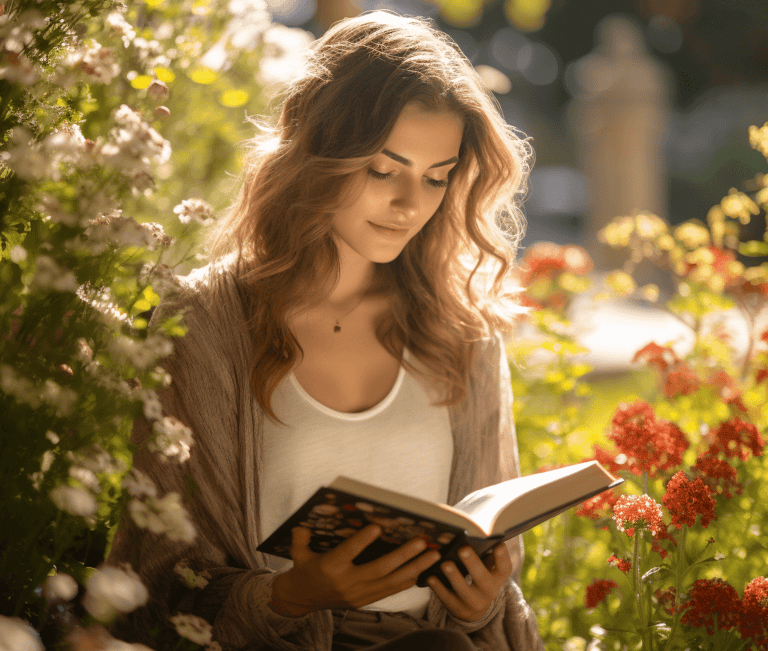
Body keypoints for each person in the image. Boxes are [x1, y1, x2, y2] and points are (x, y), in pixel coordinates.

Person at [107, 10, 544, 651]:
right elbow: (156, 583)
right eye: (383, 169)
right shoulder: (203, 324)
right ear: (320, 151)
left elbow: (489, 566)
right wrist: (292, 597)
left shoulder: (463, 331)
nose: (409, 205)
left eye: (435, 178)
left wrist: (482, 603)